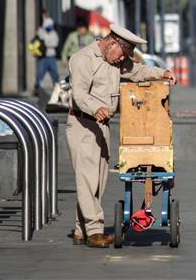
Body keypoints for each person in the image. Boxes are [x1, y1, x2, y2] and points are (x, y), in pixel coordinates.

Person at [66, 24, 175, 248]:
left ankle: (81, 229)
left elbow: (138, 71)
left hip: (102, 126)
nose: (120, 60)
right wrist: (95, 107)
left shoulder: (116, 59)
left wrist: (162, 73)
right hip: (83, 124)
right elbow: (78, 94)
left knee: (97, 182)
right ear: (112, 43)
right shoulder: (83, 59)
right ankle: (95, 231)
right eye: (121, 55)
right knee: (87, 179)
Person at [34, 14, 60, 94]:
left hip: (51, 56)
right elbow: (39, 40)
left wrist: (45, 43)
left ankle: (57, 89)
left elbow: (55, 43)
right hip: (43, 57)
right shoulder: (41, 32)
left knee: (55, 74)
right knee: (40, 73)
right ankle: (37, 88)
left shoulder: (54, 33)